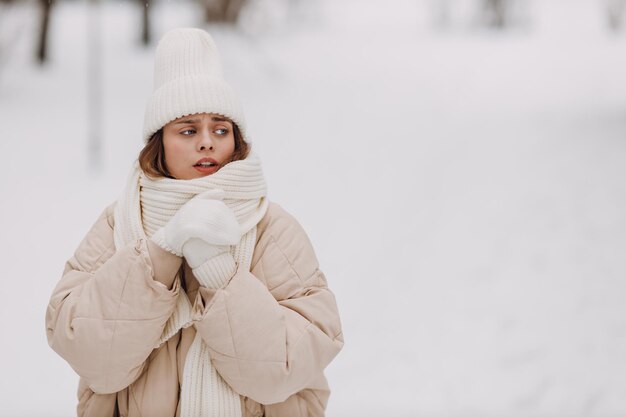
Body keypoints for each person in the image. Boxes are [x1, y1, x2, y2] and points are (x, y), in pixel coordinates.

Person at [45, 27, 344, 417]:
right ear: (159, 143)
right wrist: (161, 252)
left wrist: (219, 272)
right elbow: (91, 355)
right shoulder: (120, 223)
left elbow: (284, 368)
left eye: (220, 129)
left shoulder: (271, 228)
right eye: (188, 130)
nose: (207, 142)